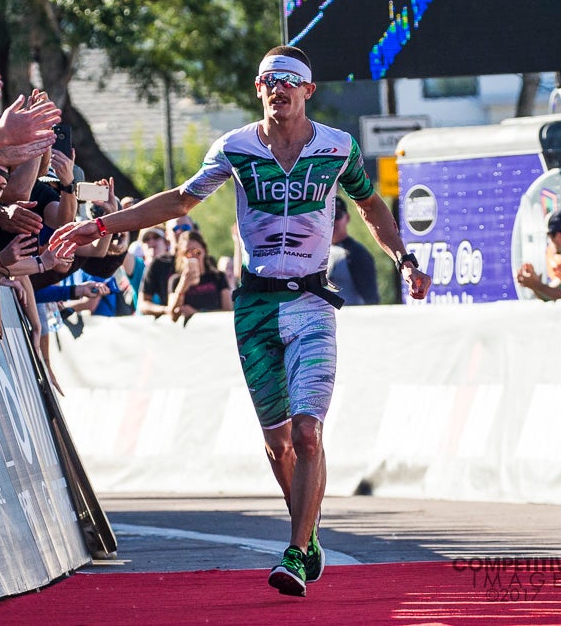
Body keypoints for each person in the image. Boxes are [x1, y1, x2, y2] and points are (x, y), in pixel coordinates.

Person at [51, 44, 431, 597]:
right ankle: (310, 532)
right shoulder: (235, 148)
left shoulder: (338, 148)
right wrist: (102, 226)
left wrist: (405, 259)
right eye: (267, 79)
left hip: (311, 301)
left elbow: (370, 206)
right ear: (258, 90)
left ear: (308, 90)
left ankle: (296, 552)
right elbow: (181, 201)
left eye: (288, 79)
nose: (278, 87)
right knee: (277, 441)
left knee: (307, 430)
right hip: (253, 304)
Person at [166, 230, 231, 323]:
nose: (193, 256)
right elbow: (172, 315)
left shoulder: (218, 277)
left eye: (197, 252)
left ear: (204, 251)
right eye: (187, 253)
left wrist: (198, 314)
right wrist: (182, 286)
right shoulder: (175, 280)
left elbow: (228, 311)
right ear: (181, 255)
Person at [327, 196, 379, 305]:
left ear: (347, 218)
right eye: (328, 217)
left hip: (350, 319)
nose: (332, 222)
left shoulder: (357, 254)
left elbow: (371, 299)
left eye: (337, 216)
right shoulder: (314, 252)